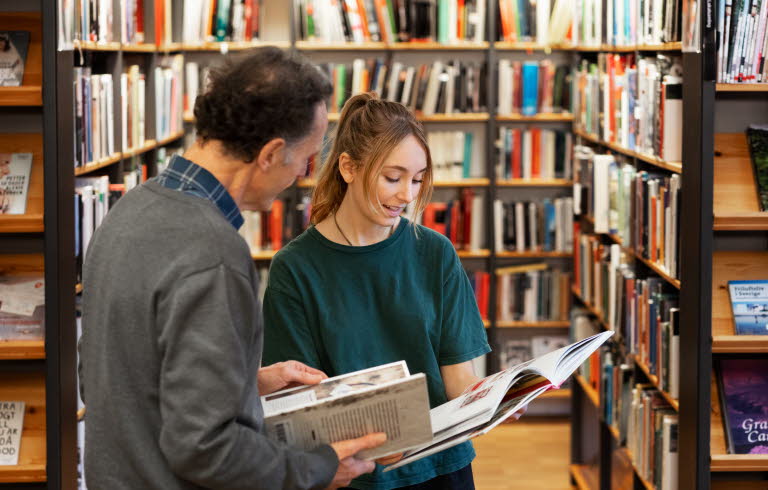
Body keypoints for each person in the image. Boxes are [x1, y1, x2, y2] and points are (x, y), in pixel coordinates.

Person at [78, 47, 386, 490]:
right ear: (270, 153)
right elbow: (208, 450)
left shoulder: (128, 212)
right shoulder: (212, 253)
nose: (304, 173)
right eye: (305, 157)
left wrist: (242, 384)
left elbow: (110, 377)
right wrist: (317, 467)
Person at [262, 93, 514, 490]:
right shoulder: (295, 268)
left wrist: (493, 404)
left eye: (417, 180)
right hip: (354, 474)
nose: (408, 195)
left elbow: (458, 377)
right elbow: (299, 404)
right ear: (348, 167)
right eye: (393, 178)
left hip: (441, 467)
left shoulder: (435, 252)